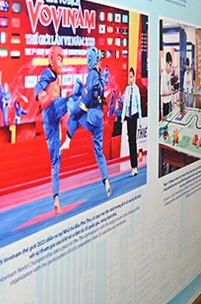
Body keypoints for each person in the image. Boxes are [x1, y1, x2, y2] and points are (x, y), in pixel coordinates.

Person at [64, 47, 112, 199]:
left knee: (73, 114)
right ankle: (106, 180)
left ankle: (67, 140)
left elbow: (88, 96)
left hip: (91, 117)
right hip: (99, 118)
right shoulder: (100, 75)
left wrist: (79, 104)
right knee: (99, 152)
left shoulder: (92, 74)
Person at [34, 46, 71, 214]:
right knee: (71, 99)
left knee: (56, 161)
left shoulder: (57, 78)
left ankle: (56, 200)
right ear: (52, 59)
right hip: (50, 112)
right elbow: (38, 87)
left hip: (51, 124)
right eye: (59, 59)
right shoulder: (48, 73)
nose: (61, 63)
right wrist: (41, 96)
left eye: (62, 60)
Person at [122, 67, 142, 176]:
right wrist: (122, 116)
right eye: (129, 77)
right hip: (128, 117)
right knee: (130, 140)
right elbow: (125, 104)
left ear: (134, 77)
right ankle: (132, 166)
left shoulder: (136, 89)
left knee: (133, 141)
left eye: (131, 77)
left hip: (134, 116)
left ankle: (135, 166)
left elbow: (139, 105)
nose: (130, 79)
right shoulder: (127, 89)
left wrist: (140, 120)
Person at [161, 51, 174, 118]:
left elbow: (169, 86)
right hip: (165, 103)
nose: (171, 67)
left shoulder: (169, 74)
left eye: (171, 65)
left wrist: (171, 89)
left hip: (169, 101)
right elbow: (161, 93)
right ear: (166, 64)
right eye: (170, 65)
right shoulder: (163, 76)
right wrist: (170, 93)